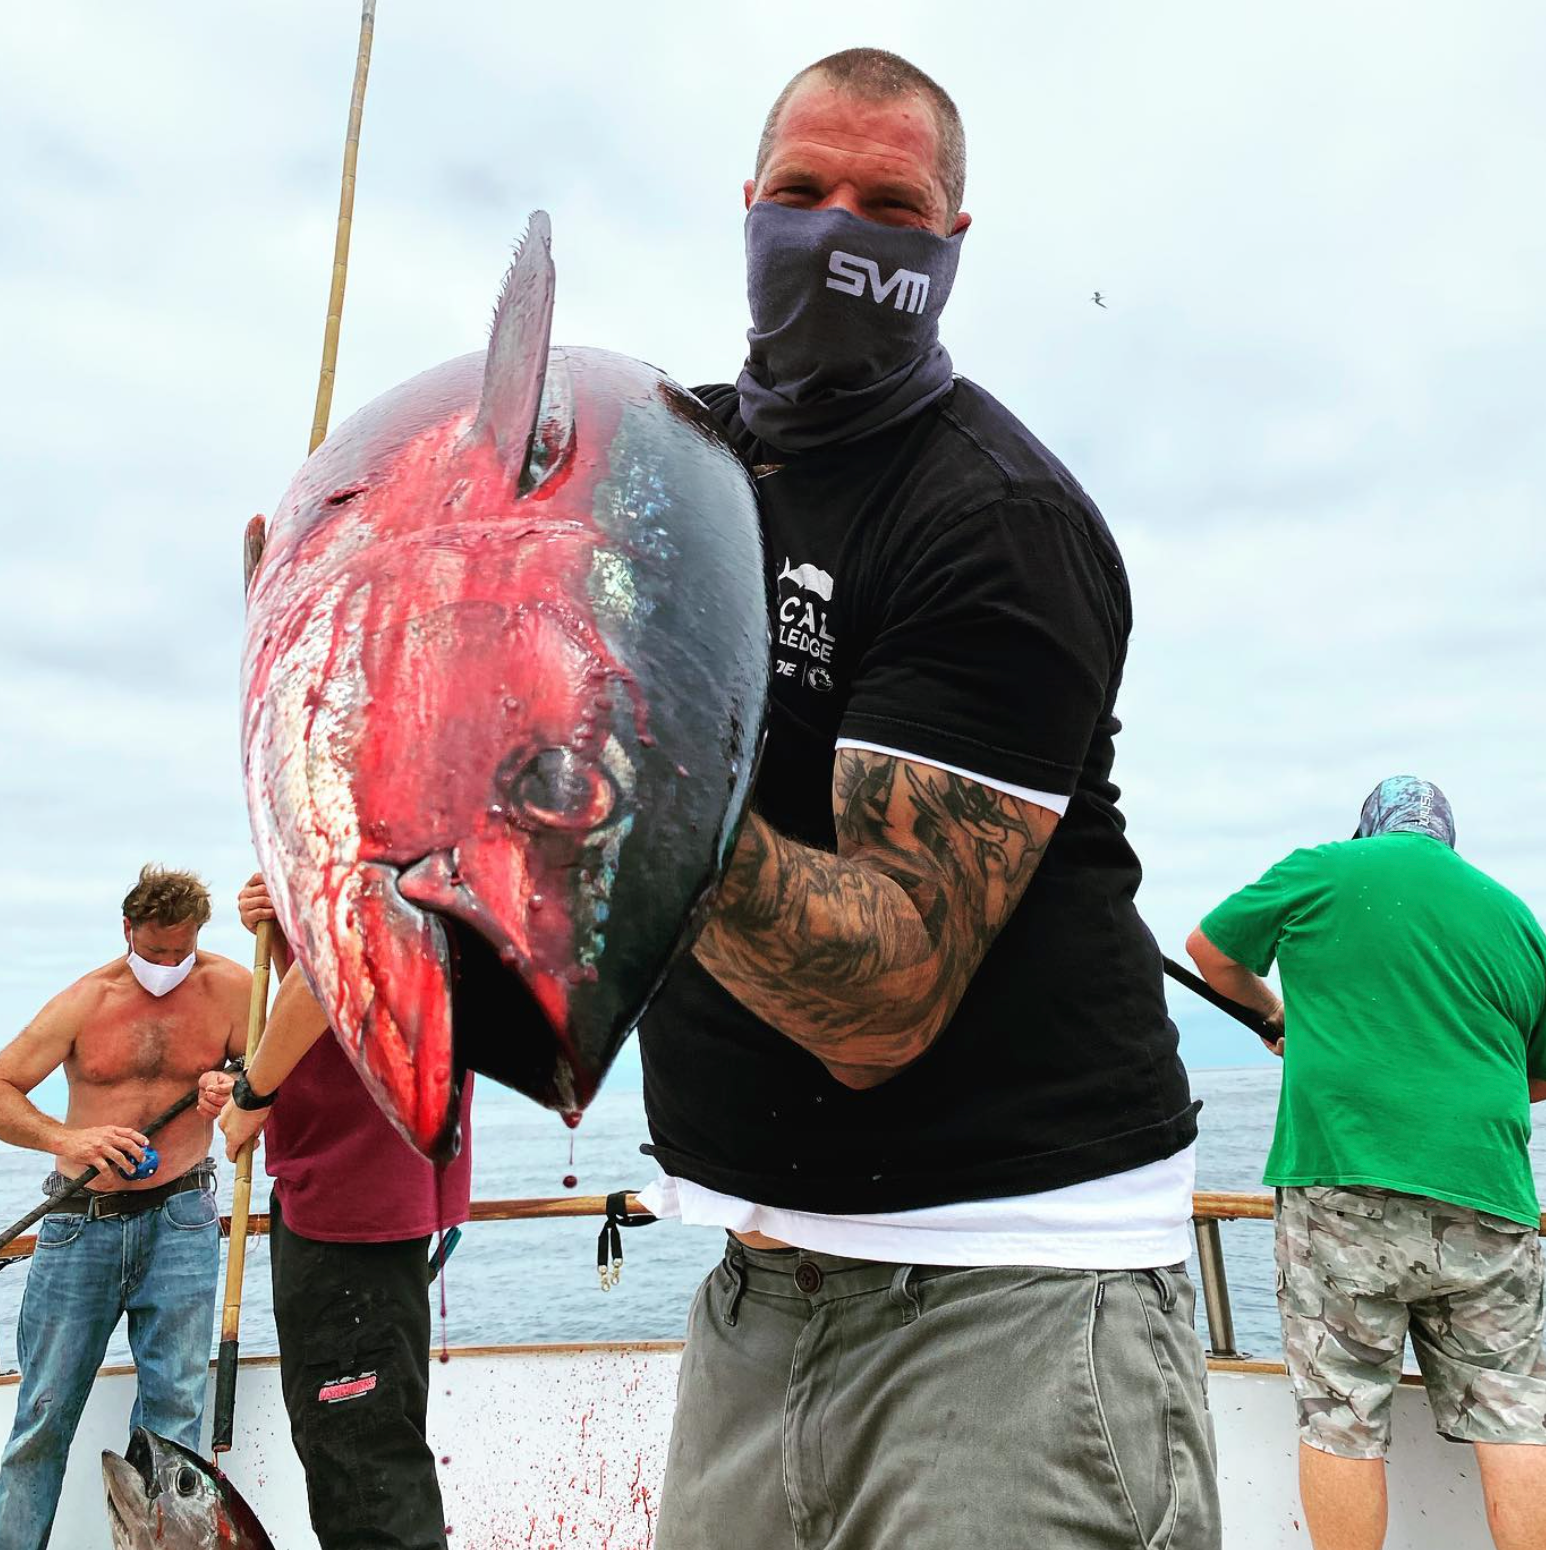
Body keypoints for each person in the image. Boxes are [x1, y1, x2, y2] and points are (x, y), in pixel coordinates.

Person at [634, 48, 1219, 1549]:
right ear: (744, 207)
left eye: (890, 203)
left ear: (948, 248)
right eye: (802, 191)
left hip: (1019, 1290)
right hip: (756, 1281)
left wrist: (599, 778)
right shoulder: (663, 469)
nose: (840, 227)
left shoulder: (995, 518)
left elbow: (877, 993)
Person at [1187, 775, 1546, 1550]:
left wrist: (1276, 1014)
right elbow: (1538, 1073)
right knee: (1516, 1419)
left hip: (1342, 1186)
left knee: (1341, 1418)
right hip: (1487, 1194)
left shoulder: (1323, 868)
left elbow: (1210, 952)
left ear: (1368, 832)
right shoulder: (1515, 916)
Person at [216, 871, 472, 1550]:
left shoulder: (385, 863)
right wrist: (283, 936)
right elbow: (336, 1001)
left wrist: (251, 1094)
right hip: (347, 1201)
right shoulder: (408, 877)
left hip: (350, 1205)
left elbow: (334, 966)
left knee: (364, 1476)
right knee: (356, 1452)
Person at [0, 865, 248, 1549]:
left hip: (183, 1220)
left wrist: (232, 1086)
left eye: (181, 952)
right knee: (43, 1412)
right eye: (155, 951)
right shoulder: (87, 1001)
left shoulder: (231, 989)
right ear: (127, 931)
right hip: (83, 1225)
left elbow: (274, 1070)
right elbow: (2, 1087)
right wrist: (68, 1137)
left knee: (175, 1417)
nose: (167, 966)